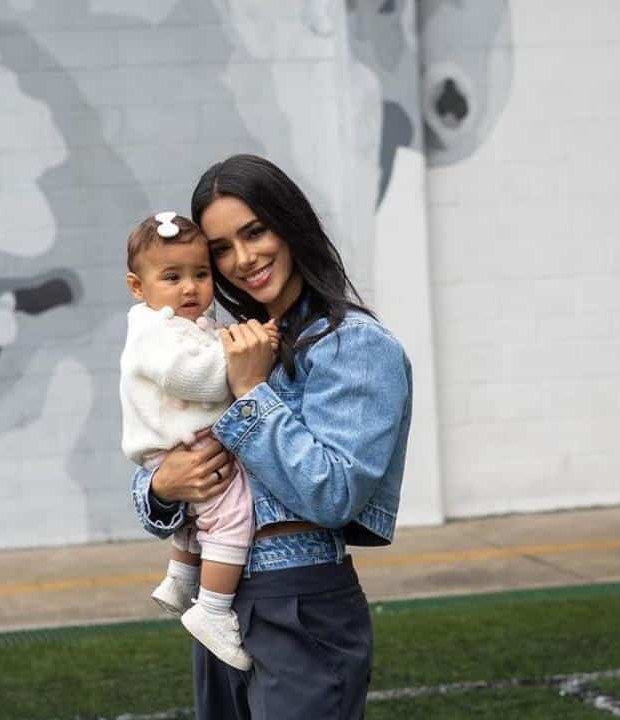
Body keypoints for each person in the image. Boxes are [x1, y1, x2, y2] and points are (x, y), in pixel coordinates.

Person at [129, 154, 413, 719]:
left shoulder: (356, 346)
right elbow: (161, 479)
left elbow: (334, 494)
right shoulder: (219, 344)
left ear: (290, 223)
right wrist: (162, 485)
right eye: (221, 249)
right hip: (223, 600)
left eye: (254, 232)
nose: (243, 259)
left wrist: (253, 390)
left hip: (301, 597)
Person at [119, 211, 282, 670]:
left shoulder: (177, 323)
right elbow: (201, 379)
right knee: (232, 514)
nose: (190, 288)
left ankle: (179, 578)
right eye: (172, 277)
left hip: (182, 445)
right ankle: (211, 610)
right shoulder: (155, 331)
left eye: (200, 274)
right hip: (182, 447)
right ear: (138, 287)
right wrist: (249, 359)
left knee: (199, 519)